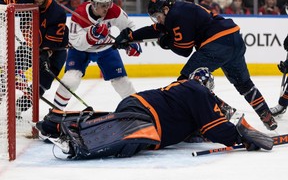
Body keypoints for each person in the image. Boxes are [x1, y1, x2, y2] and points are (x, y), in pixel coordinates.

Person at [113, 0, 278, 131]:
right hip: (233, 38)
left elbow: (184, 50)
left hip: (217, 43)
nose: (157, 20)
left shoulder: (175, 16)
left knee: (186, 82)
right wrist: (131, 36)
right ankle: (267, 117)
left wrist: (165, 42)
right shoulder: (177, 11)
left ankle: (221, 109)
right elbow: (156, 30)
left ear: (165, 9)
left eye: (158, 16)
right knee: (244, 84)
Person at [35, 69, 274, 159]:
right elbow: (215, 127)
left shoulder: (185, 90)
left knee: (109, 123)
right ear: (207, 86)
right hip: (146, 118)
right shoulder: (198, 92)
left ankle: (56, 121)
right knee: (118, 138)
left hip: (140, 109)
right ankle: (66, 133)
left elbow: (201, 128)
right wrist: (239, 137)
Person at [53, 0, 141, 110]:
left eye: (108, 3)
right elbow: (77, 43)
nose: (107, 8)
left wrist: (132, 42)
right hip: (81, 51)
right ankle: (55, 112)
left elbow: (129, 26)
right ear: (93, 3)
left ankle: (137, 109)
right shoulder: (79, 14)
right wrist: (92, 35)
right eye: (103, 5)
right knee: (70, 81)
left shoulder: (114, 11)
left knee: (122, 82)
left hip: (105, 48)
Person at [0, 0, 69, 117]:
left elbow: (51, 45)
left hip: (55, 53)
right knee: (7, 71)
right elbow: (5, 3)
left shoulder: (57, 13)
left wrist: (44, 56)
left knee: (40, 86)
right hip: (31, 47)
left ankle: (18, 108)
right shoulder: (25, 1)